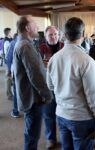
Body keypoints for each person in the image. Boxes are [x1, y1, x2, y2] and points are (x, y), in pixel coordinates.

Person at [47, 17, 95, 150]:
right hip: (81, 118)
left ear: (64, 35)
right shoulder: (87, 61)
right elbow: (94, 97)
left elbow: (50, 86)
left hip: (61, 114)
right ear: (84, 34)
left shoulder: (53, 59)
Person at [13, 15, 53, 150]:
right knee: (32, 136)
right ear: (27, 28)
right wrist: (47, 95)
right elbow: (35, 75)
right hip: (33, 98)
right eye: (35, 23)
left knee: (30, 133)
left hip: (29, 97)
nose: (37, 27)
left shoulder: (24, 43)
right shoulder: (26, 46)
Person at [39, 26, 64, 149]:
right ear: (45, 37)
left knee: (64, 114)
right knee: (49, 115)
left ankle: (66, 138)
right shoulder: (40, 48)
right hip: (48, 87)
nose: (53, 37)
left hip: (63, 87)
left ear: (59, 35)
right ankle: (51, 139)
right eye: (50, 35)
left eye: (55, 34)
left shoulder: (65, 46)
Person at [6, 33, 20, 118]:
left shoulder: (13, 43)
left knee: (16, 91)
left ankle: (15, 111)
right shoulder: (29, 42)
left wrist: (9, 71)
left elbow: (9, 58)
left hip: (17, 71)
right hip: (27, 72)